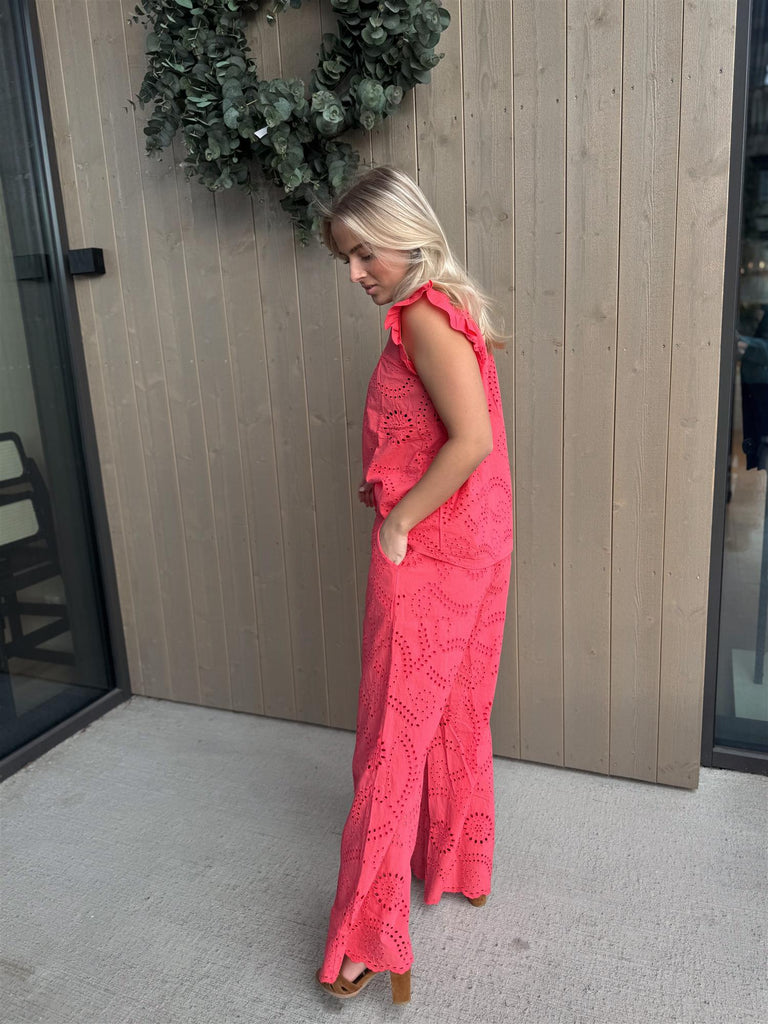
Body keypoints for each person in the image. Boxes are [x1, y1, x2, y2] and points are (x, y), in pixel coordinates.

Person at [310, 165, 514, 1004]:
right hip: (477, 542)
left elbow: (470, 440)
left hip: (431, 555)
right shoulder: (444, 307)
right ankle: (458, 864)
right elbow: (450, 434)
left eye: (365, 255)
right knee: (455, 714)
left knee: (391, 741)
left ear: (407, 237)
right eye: (347, 260)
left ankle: (368, 936)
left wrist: (398, 522)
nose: (355, 274)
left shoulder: (424, 316)